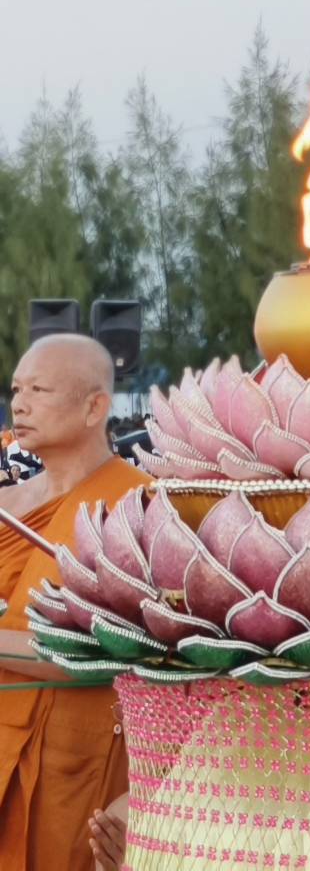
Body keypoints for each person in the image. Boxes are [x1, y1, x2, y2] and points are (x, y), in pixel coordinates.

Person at [0, 336, 152, 871]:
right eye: (17, 389)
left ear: (94, 407)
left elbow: (117, 648)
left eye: (39, 390)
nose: (20, 404)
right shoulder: (5, 504)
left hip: (78, 758)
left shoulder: (140, 503)